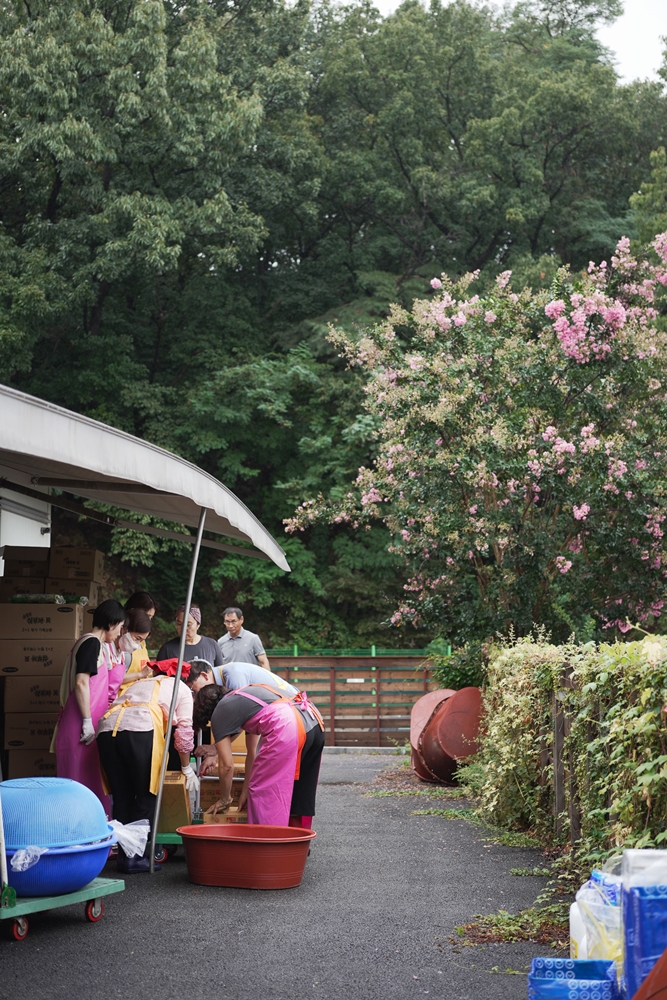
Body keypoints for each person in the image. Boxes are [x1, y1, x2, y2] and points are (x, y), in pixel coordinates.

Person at [97, 670, 198, 873]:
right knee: (146, 794)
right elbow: (184, 733)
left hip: (106, 730)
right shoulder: (182, 688)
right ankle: (134, 857)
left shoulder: (141, 682)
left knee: (122, 796)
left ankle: (125, 857)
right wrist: (187, 768)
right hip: (141, 729)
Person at [193, 682, 325, 828]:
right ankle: (300, 837)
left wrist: (225, 799)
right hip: (312, 719)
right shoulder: (245, 697)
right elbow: (253, 754)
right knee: (300, 790)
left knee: (264, 792)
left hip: (287, 724)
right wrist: (245, 792)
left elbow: (227, 766)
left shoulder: (220, 712)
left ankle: (267, 838)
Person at [52, 599, 128, 817]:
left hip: (89, 725)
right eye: (120, 627)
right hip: (80, 726)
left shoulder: (97, 646)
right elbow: (81, 683)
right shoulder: (91, 643)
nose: (120, 632)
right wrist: (86, 721)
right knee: (78, 782)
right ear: (111, 624)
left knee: (91, 780)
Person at [157, 604, 222, 668]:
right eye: (179, 624)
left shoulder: (212, 645)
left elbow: (220, 672)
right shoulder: (167, 649)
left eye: (188, 625)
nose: (183, 629)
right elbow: (159, 674)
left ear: (198, 624)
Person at [124, 592, 157, 677]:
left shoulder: (142, 641)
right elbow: (113, 678)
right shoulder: (121, 642)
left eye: (151, 618)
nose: (148, 621)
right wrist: (140, 674)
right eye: (147, 616)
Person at [117, 607, 153, 681]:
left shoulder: (141, 645)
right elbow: (113, 679)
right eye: (137, 638)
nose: (137, 645)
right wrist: (140, 674)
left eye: (141, 641)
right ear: (124, 629)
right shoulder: (107, 648)